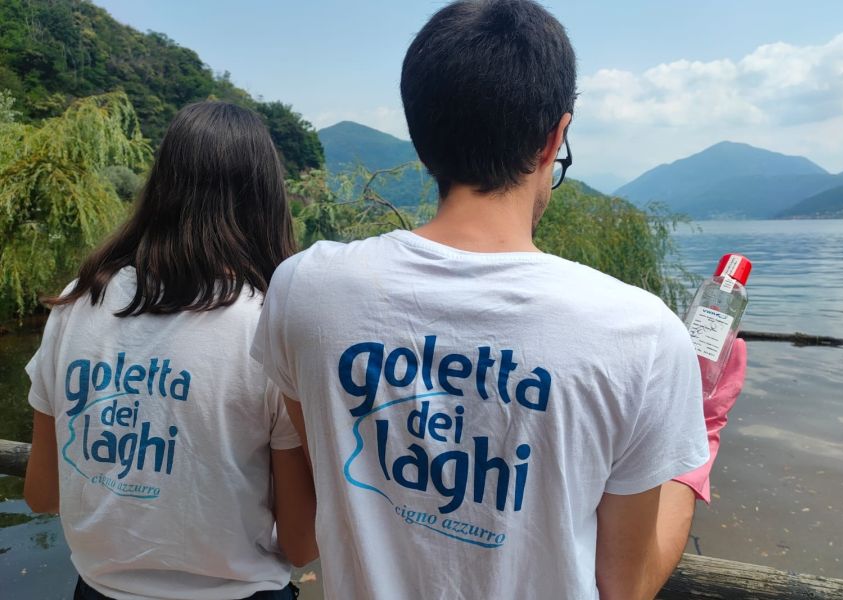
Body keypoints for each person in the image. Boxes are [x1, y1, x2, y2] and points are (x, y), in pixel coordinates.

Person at [252, 1, 746, 598]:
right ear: (554, 138)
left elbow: (331, 464)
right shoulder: (641, 335)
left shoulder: (303, 288)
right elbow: (627, 586)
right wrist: (700, 438)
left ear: (420, 138)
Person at [23, 101, 317, 600]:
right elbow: (301, 542)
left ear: (161, 188)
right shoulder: (268, 323)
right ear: (266, 201)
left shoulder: (78, 301)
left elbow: (42, 493)